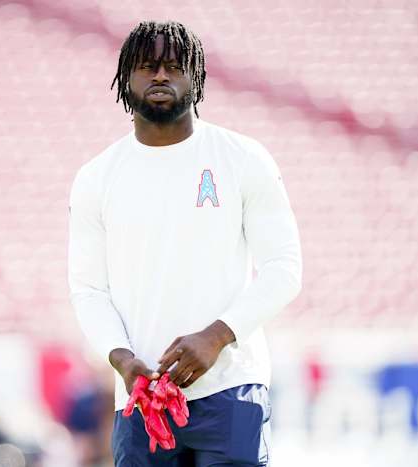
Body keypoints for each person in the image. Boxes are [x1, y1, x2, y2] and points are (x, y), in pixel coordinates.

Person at [67, 20, 302, 466]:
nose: (159, 76)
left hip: (231, 389)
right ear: (124, 78)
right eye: (146, 66)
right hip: (141, 399)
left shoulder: (243, 158)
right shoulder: (96, 178)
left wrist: (217, 337)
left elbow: (284, 269)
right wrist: (121, 359)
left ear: (196, 76)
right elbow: (88, 290)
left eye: (174, 66)